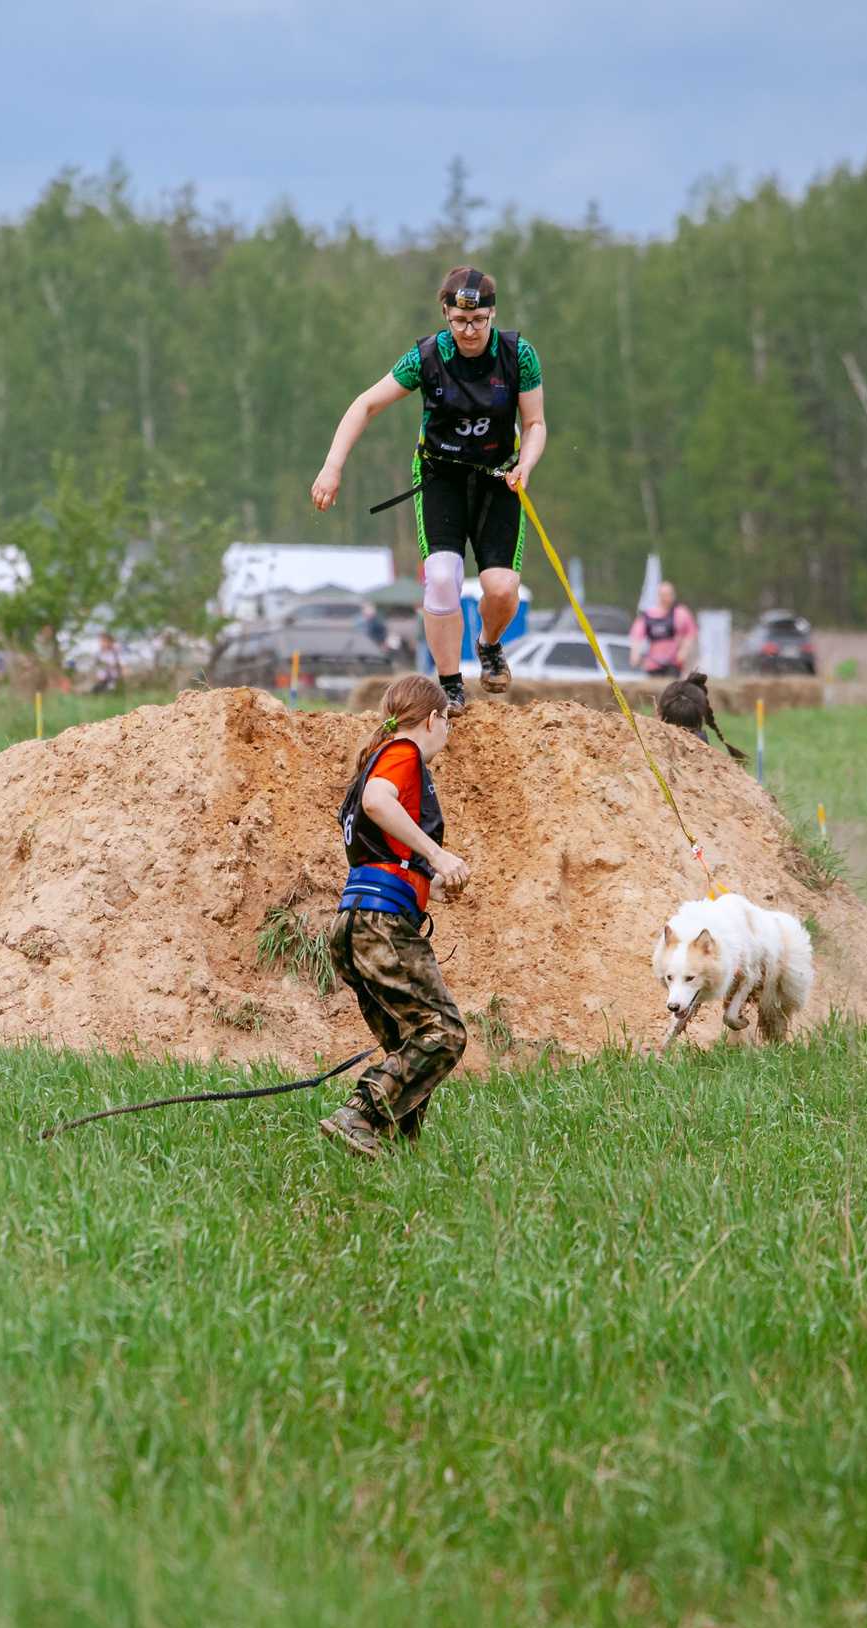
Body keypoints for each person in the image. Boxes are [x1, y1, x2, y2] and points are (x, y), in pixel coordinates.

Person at [311, 265, 548, 717]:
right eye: (459, 321)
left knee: (501, 589)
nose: (469, 331)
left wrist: (527, 463)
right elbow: (366, 404)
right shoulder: (424, 357)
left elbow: (534, 422)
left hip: (499, 477)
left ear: (493, 314)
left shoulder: (519, 354)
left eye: (478, 321)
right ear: (445, 315)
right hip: (441, 477)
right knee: (441, 577)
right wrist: (332, 466)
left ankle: (489, 644)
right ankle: (450, 686)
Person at [321, 675, 473, 1159]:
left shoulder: (375, 758)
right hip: (379, 924)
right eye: (447, 720)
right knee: (443, 1033)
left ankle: (398, 1157)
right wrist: (437, 854)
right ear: (431, 719)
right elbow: (377, 802)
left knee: (410, 1050)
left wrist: (427, 881)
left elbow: (378, 849)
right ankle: (360, 1113)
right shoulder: (403, 753)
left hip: (354, 923)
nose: (448, 730)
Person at [630, 581, 697, 678]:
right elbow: (636, 636)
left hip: (674, 662)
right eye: (663, 594)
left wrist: (682, 654)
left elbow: (691, 634)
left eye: (668, 594)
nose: (666, 597)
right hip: (653, 663)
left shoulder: (681, 613)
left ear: (673, 595)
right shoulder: (648, 615)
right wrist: (635, 655)